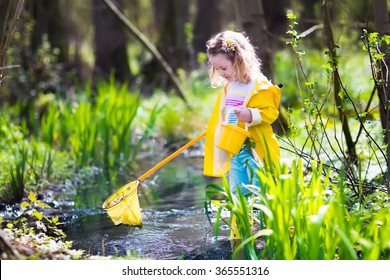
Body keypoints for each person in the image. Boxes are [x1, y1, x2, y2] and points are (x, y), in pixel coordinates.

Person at [203, 30, 281, 239]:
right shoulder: (230, 87)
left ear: (238, 60)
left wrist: (251, 114)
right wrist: (216, 128)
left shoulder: (258, 84)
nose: (220, 73)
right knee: (238, 190)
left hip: (255, 149)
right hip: (235, 149)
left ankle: (266, 229)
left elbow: (271, 113)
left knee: (260, 187)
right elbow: (224, 115)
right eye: (216, 69)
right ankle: (242, 230)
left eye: (223, 67)